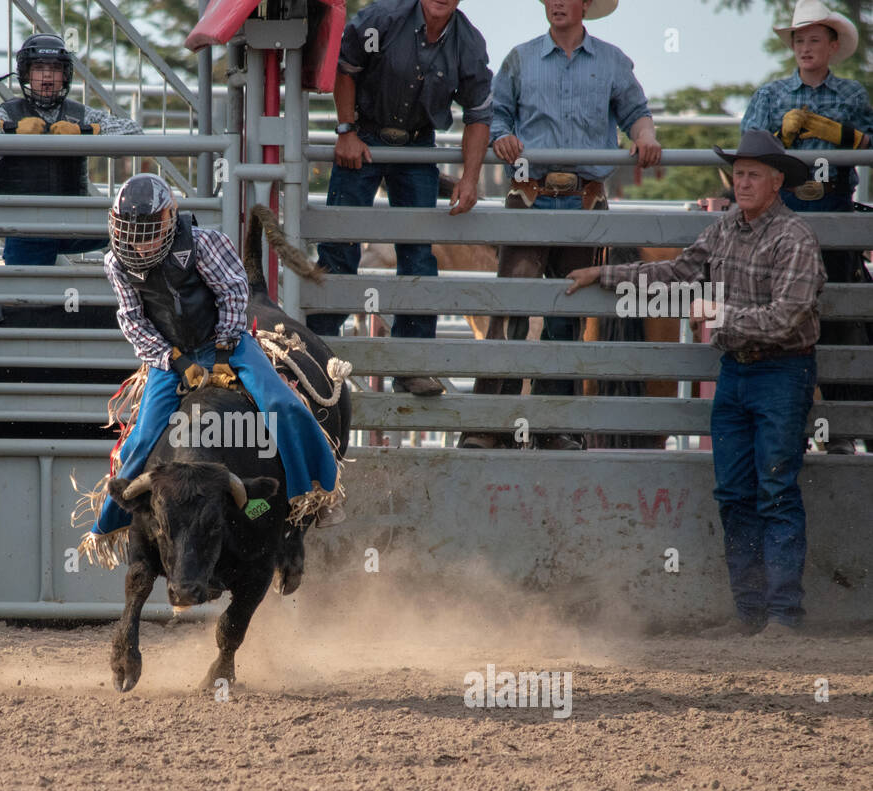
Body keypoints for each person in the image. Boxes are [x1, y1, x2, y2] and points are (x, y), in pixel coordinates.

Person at [565, 131, 824, 638]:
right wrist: (605, 275)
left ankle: (782, 615)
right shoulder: (727, 227)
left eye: (753, 175)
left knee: (774, 490)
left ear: (776, 184)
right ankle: (753, 613)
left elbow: (789, 318)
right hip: (740, 372)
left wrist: (722, 315)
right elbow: (679, 270)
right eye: (739, 174)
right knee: (734, 493)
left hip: (781, 371)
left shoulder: (795, 239)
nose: (743, 183)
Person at [82, 174, 343, 559]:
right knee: (140, 438)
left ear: (169, 222)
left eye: (148, 231)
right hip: (170, 357)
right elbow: (133, 321)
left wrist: (222, 350)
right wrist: (175, 360)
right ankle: (112, 523)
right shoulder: (116, 264)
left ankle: (318, 490)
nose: (138, 243)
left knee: (283, 406)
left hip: (230, 344)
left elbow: (235, 293)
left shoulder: (205, 244)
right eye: (130, 232)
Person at [460, 0, 662, 450]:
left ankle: (555, 428)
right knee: (511, 309)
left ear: (585, 5)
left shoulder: (612, 61)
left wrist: (645, 135)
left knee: (566, 316)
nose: (556, 3)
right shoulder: (519, 58)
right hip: (529, 193)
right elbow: (495, 115)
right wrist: (502, 136)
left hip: (584, 198)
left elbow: (636, 112)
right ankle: (489, 428)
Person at [307, 0, 493, 397]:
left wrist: (471, 177)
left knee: (419, 256)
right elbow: (346, 68)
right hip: (366, 135)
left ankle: (411, 364)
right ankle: (313, 356)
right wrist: (347, 130)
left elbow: (479, 115)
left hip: (415, 146)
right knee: (340, 248)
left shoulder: (469, 43)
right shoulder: (382, 19)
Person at [741, 0, 873, 455]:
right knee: (784, 320)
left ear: (832, 46)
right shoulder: (770, 96)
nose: (805, 48)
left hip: (835, 212)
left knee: (836, 318)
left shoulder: (852, 96)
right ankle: (785, 428)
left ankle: (839, 430)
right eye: (799, 40)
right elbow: (747, 153)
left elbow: (872, 143)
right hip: (785, 216)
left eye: (813, 39)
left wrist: (843, 137)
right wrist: (778, 143)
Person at [0, 33, 143, 265]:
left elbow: (135, 134)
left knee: (138, 231)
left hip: (74, 221)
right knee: (27, 296)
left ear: (65, 76)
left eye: (54, 69)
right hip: (25, 226)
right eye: (39, 68)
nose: (46, 76)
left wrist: (87, 132)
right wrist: (9, 130)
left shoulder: (81, 115)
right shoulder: (9, 114)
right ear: (26, 74)